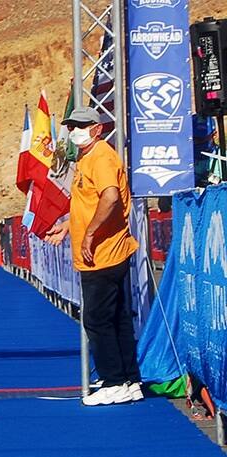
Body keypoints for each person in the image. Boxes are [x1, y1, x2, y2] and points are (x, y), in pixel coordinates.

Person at [45, 106, 142, 406]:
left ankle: (114, 382)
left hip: (102, 253)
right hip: (101, 251)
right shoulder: (87, 158)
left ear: (97, 128)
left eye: (82, 125)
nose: (76, 131)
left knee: (97, 319)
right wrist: (68, 227)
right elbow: (87, 204)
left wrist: (89, 234)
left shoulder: (101, 157)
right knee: (116, 316)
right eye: (72, 126)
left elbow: (110, 197)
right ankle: (128, 378)